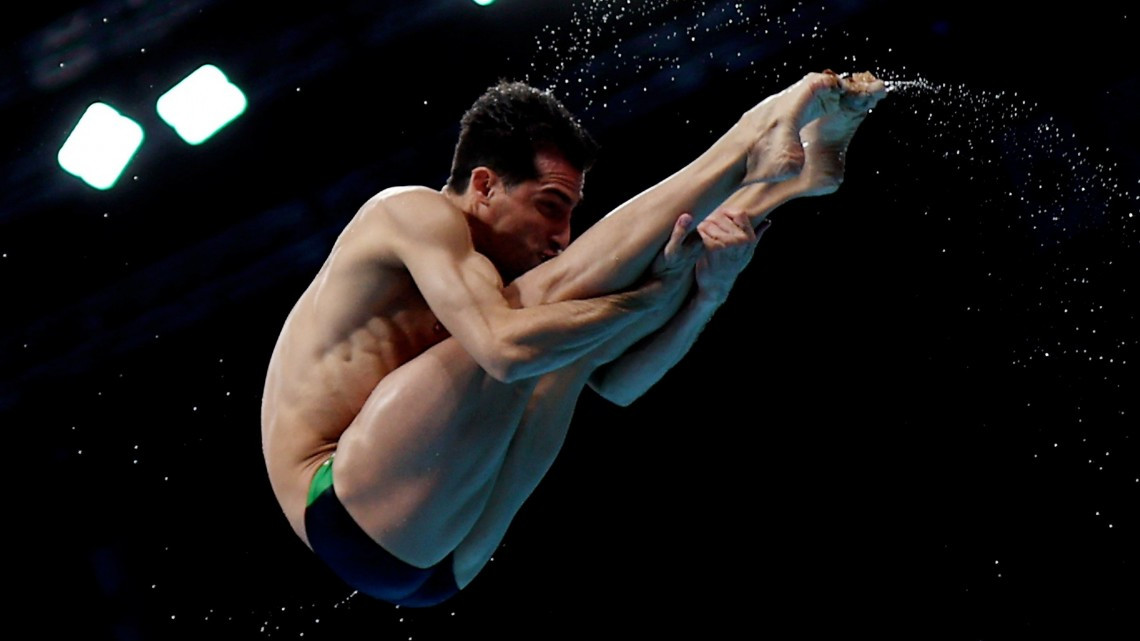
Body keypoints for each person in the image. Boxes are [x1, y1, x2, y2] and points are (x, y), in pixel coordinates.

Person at [260, 70, 886, 607]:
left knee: (558, 348)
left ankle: (782, 187)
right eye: (551, 204)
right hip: (343, 505)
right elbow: (505, 352)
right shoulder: (408, 213)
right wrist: (648, 296)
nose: (561, 234)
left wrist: (705, 292)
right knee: (537, 316)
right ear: (484, 185)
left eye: (570, 212)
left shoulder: (494, 276)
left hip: (443, 560)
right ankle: (750, 139)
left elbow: (618, 383)